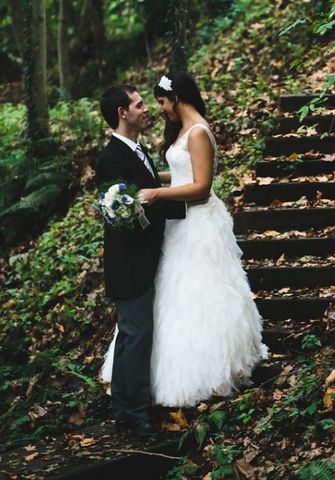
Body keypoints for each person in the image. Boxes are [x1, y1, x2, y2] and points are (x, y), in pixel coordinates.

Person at [101, 72, 268, 407]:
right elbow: (181, 173)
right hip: (178, 223)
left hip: (199, 222)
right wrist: (149, 181)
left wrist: (158, 192)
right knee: (175, 295)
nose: (160, 109)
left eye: (162, 101)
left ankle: (206, 371)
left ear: (176, 98)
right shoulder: (183, 132)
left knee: (203, 293)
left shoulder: (198, 133)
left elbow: (202, 186)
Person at [96, 85, 187, 439]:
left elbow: (149, 190)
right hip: (129, 263)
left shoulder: (136, 150)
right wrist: (185, 204)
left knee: (132, 336)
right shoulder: (111, 158)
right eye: (138, 104)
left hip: (143, 259)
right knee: (137, 335)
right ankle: (135, 414)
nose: (145, 109)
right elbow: (124, 214)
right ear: (122, 112)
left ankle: (122, 407)